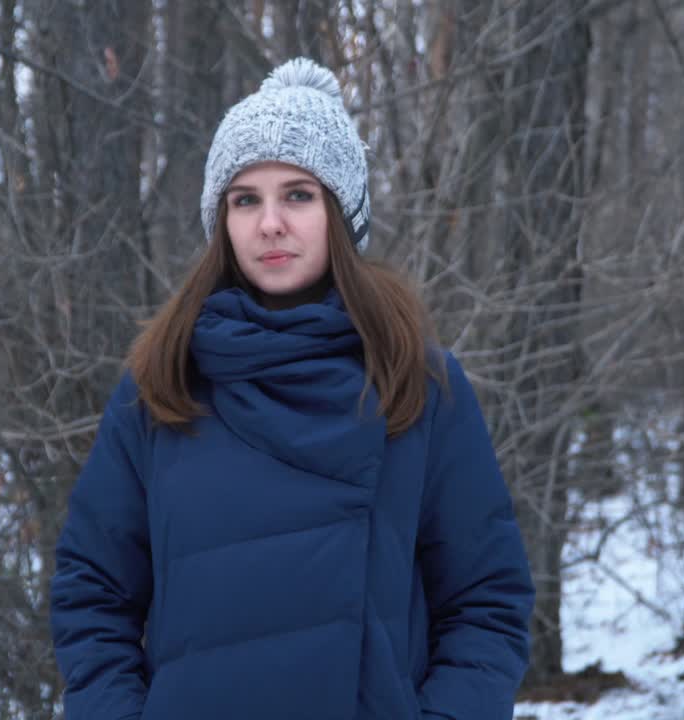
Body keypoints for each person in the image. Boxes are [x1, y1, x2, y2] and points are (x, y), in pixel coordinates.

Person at [50, 57, 534, 720]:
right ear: (221, 220)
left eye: (298, 195)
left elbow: (486, 603)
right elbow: (93, 594)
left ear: (341, 212)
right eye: (245, 198)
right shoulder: (160, 383)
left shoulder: (416, 382)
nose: (270, 222)